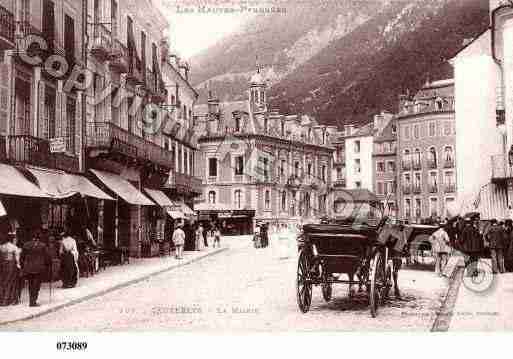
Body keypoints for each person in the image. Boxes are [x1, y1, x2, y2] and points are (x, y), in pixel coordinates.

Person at [21, 229, 51, 307]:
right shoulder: (42, 245)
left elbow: (22, 257)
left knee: (30, 284)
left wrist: (23, 266)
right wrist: (48, 265)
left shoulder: (26, 245)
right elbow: (47, 257)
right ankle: (33, 301)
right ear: (39, 237)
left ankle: (31, 300)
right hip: (39, 268)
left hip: (29, 268)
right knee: (37, 285)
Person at [0, 232, 22, 306]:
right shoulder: (14, 247)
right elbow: (17, 259)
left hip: (3, 265)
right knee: (11, 283)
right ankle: (9, 300)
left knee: (3, 282)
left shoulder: (1, 247)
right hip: (11, 266)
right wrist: (19, 266)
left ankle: (2, 299)